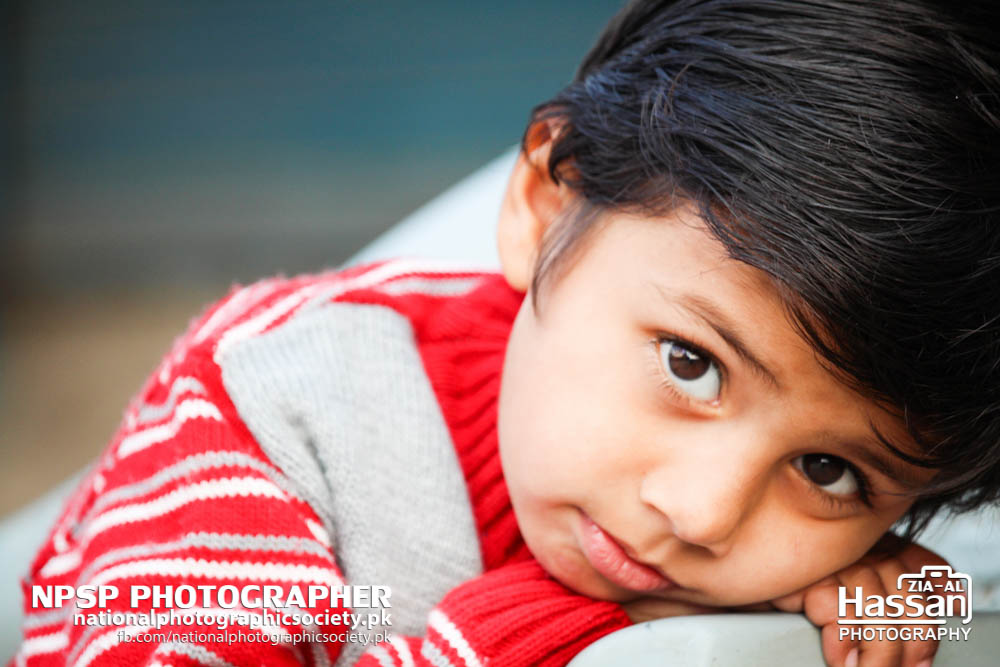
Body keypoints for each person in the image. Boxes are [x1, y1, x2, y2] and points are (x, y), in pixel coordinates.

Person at [13, 1, 999, 666]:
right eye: (690, 364)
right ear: (542, 202)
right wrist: (541, 628)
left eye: (829, 470)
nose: (702, 514)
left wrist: (891, 603)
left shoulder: (783, 542)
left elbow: (962, 605)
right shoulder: (275, 410)